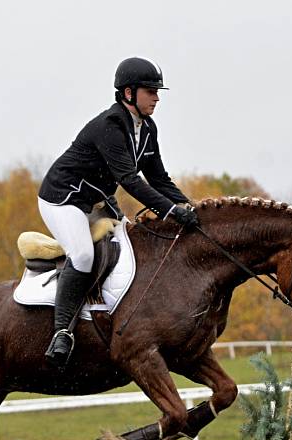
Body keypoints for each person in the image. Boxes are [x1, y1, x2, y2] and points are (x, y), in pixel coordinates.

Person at [37, 57, 197, 367]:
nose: (157, 97)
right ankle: (62, 332)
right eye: (150, 91)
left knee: (131, 245)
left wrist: (189, 206)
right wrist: (173, 213)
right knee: (83, 255)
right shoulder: (110, 126)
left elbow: (159, 179)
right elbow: (130, 181)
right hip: (63, 198)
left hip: (97, 201)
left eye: (156, 91)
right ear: (128, 93)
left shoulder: (148, 128)